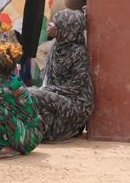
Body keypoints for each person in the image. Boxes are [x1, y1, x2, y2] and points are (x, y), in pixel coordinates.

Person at [28, 9, 94, 141]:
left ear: (65, 27)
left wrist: (47, 90)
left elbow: (76, 87)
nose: (50, 25)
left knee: (33, 94)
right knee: (30, 94)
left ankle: (66, 129)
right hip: (58, 96)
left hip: (75, 103)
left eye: (55, 23)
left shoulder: (78, 52)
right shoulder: (56, 47)